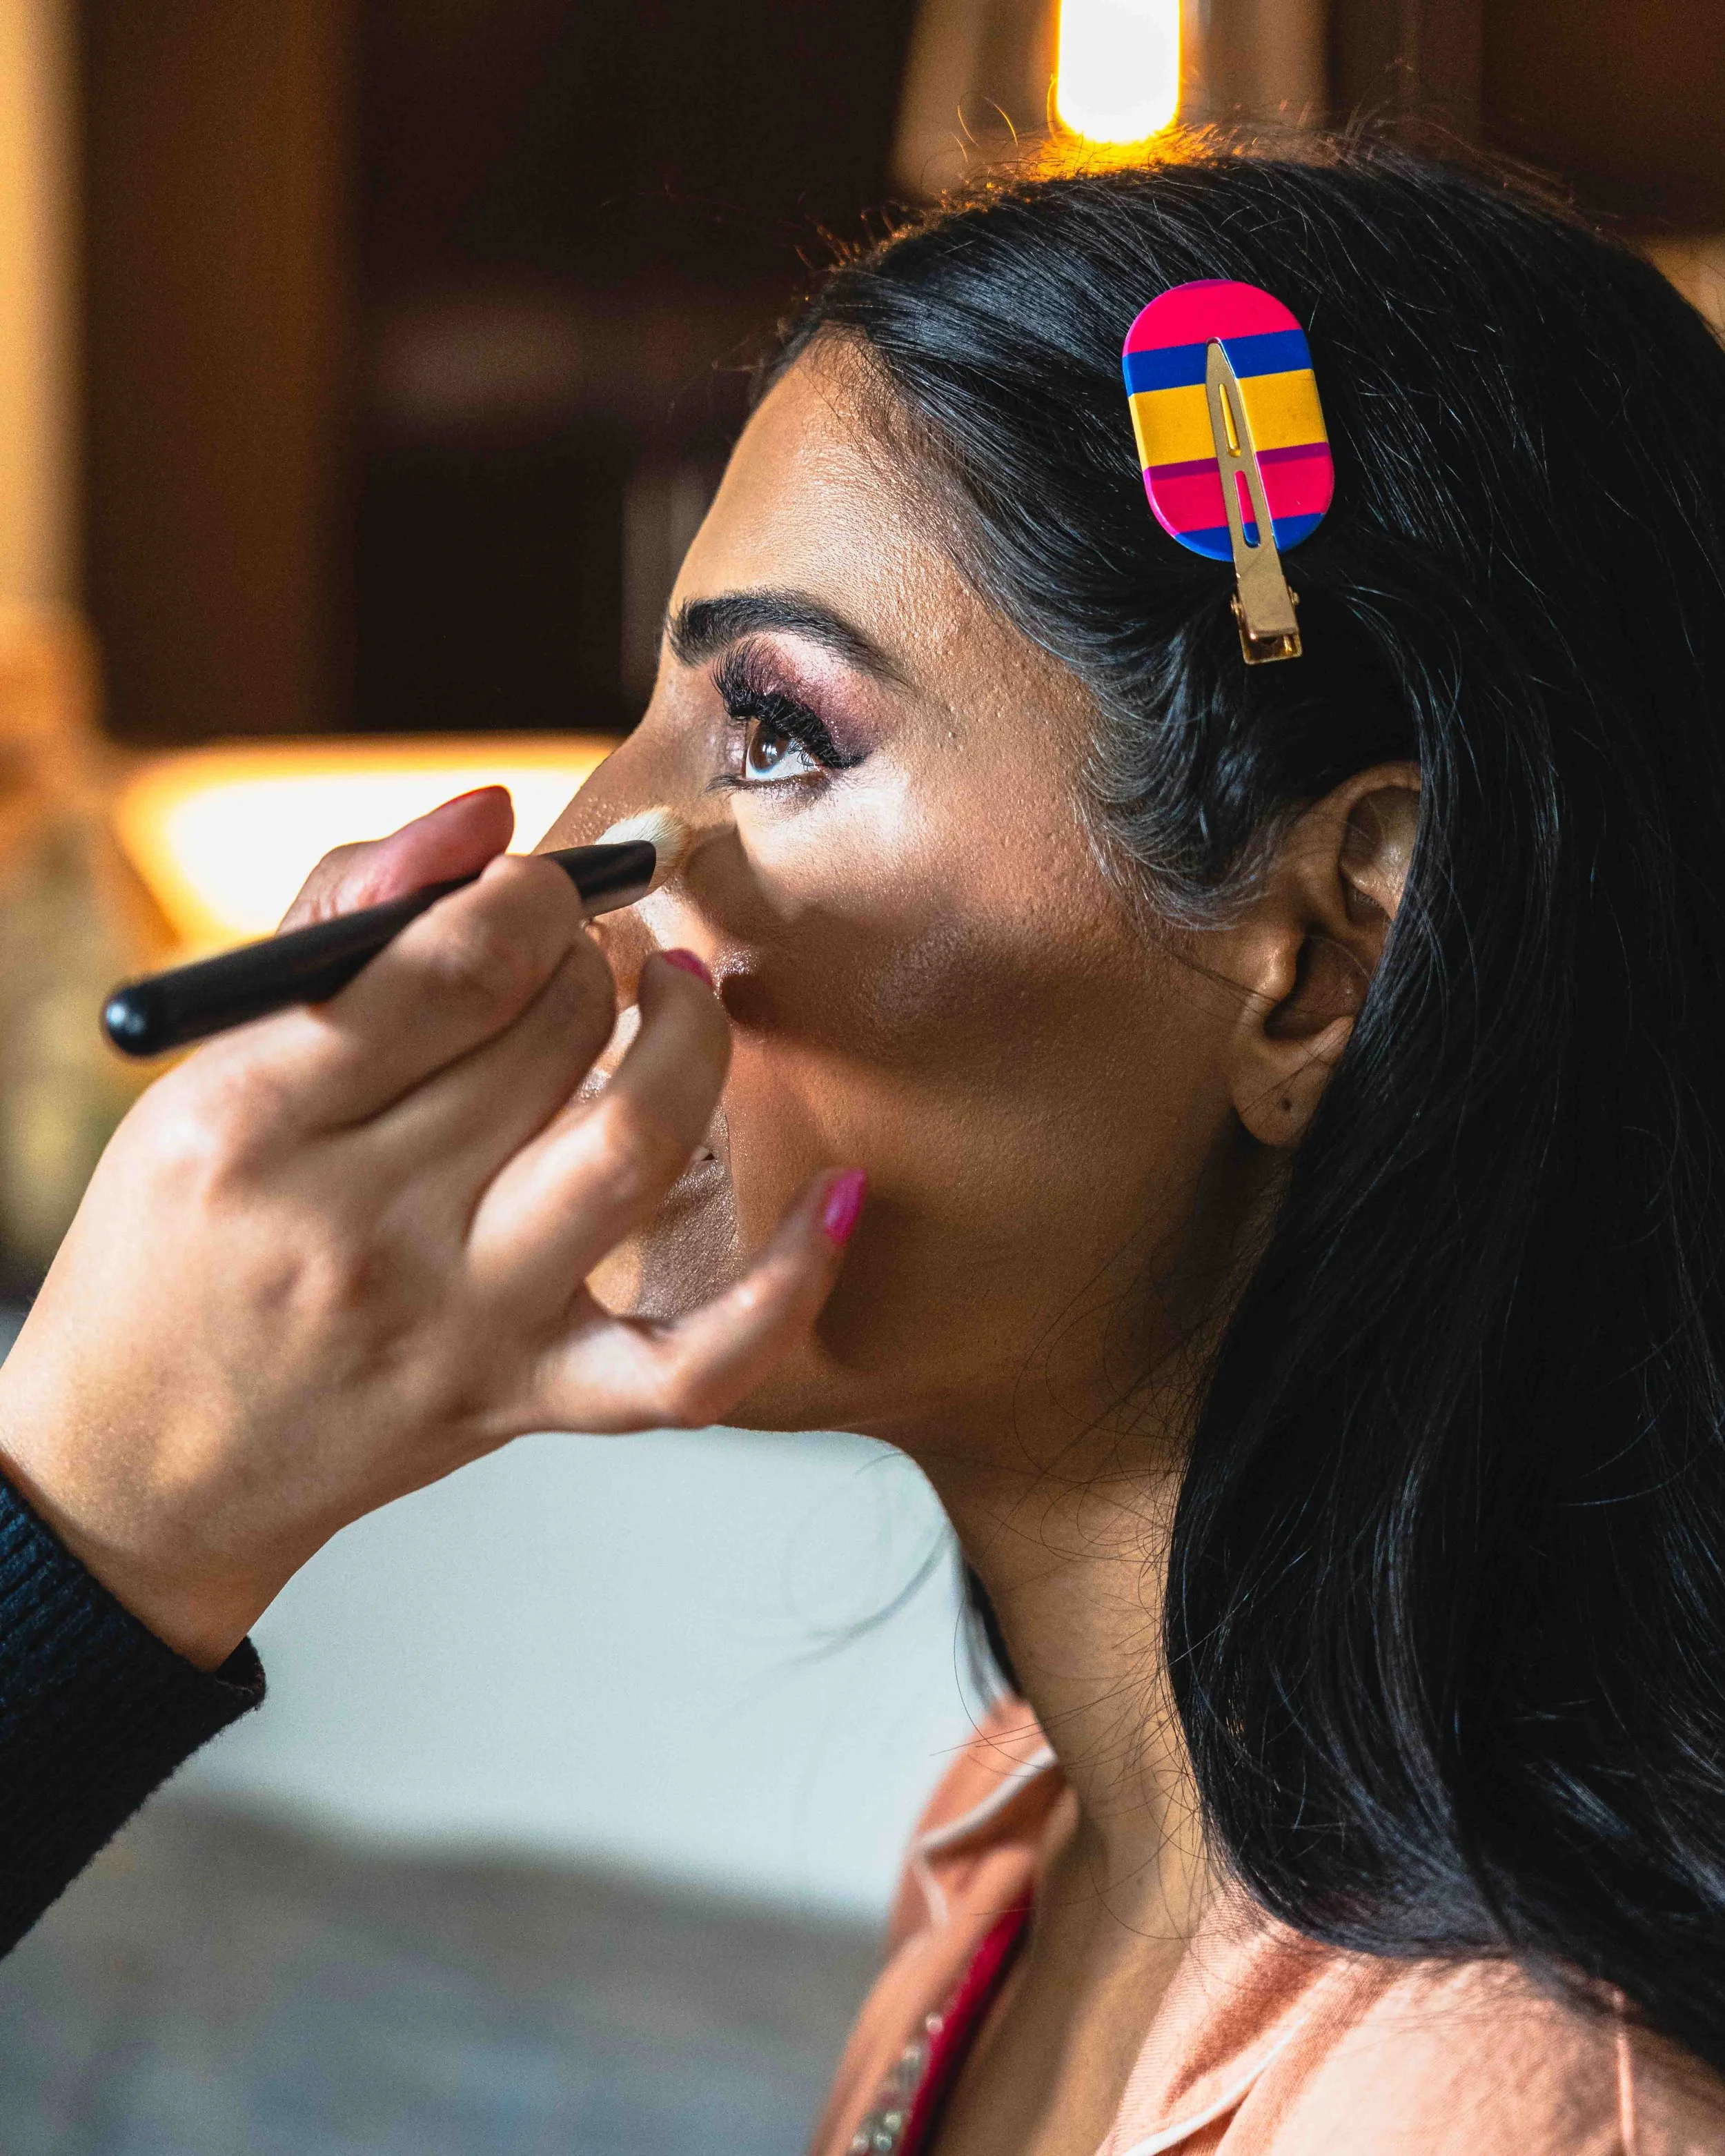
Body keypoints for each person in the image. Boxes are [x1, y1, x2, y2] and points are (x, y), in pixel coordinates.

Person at [3, 133, 1725, 2152]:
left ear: (1326, 951)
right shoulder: (1023, 1847)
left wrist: (101, 1518)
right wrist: (96, 1513)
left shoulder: (1506, 2111)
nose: (570, 855)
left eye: (777, 730)